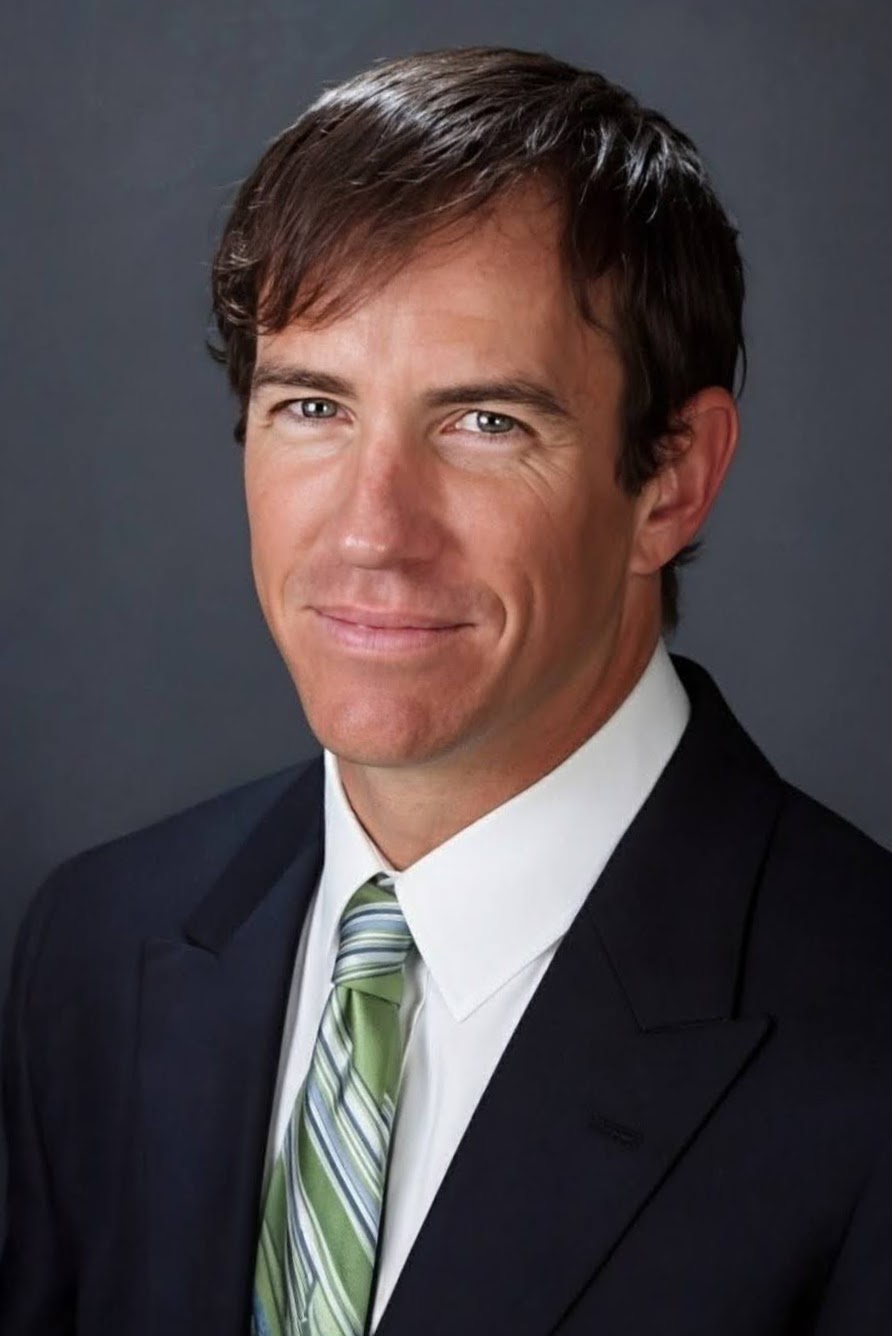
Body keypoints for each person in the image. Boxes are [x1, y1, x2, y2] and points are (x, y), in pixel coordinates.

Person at [1, 45, 890, 1336]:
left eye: (486, 423)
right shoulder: (96, 950)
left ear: (674, 481)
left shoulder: (864, 1034)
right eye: (313, 406)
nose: (373, 531)